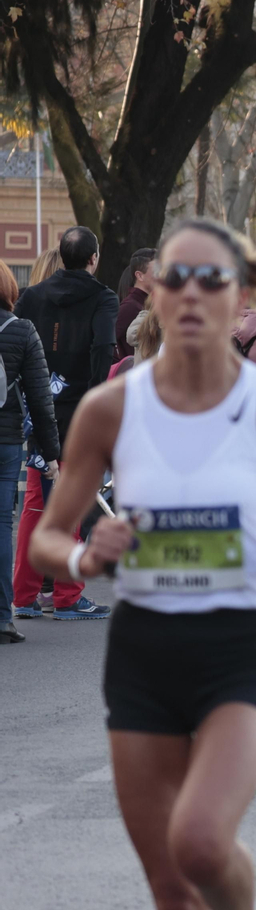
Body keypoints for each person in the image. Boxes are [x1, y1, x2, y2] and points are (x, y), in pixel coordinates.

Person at [28, 163, 256, 910]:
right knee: (175, 903)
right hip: (142, 656)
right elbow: (46, 539)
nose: (189, 294)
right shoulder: (113, 407)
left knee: (203, 845)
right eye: (173, 278)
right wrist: (86, 558)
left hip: (232, 653)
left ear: (238, 296)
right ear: (153, 293)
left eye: (209, 280)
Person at [13, 224, 118, 622]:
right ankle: (67, 595)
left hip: (37, 407)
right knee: (73, 497)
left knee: (36, 502)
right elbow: (103, 347)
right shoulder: (102, 297)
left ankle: (24, 596)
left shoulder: (32, 295)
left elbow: (18, 341)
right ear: (93, 258)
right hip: (78, 410)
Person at [0, 263, 58, 643]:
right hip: (5, 440)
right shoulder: (21, 330)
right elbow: (40, 398)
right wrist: (51, 453)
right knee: (2, 524)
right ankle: (2, 618)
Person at [114, 247, 157, 359]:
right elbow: (106, 341)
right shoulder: (130, 306)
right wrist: (122, 364)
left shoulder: (148, 304)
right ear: (140, 275)